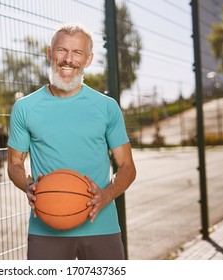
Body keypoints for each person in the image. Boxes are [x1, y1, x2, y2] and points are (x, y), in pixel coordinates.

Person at [7, 23, 136, 260]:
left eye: (77, 53)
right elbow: (15, 164)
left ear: (88, 59)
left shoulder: (107, 107)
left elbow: (127, 167)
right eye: (61, 50)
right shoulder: (25, 108)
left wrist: (106, 196)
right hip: (46, 228)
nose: (68, 59)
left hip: (102, 227)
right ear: (49, 53)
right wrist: (28, 185)